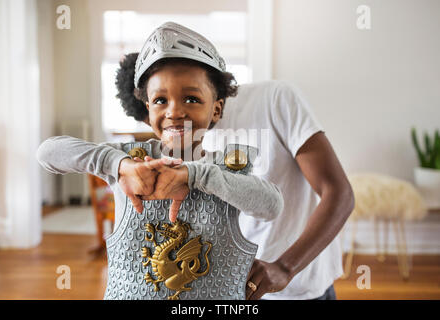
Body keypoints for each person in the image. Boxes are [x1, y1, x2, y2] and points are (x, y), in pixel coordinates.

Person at [36, 22, 285, 299]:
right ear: (147, 107)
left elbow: (272, 206)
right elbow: (47, 153)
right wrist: (116, 164)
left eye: (191, 98)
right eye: (160, 100)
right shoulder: (130, 164)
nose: (174, 111)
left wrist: (195, 175)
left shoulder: (226, 171)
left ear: (217, 108)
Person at [115, 24, 355, 300]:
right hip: (234, 291)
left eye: (184, 98)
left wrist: (285, 268)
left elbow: (339, 193)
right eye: (159, 104)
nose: (173, 116)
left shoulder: (274, 100)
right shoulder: (178, 146)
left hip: (298, 286)